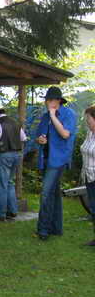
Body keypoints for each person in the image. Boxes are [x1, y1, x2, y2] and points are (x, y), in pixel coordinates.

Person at [34, 86, 77, 241]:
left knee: (46, 192)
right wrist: (40, 139)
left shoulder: (68, 114)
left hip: (59, 159)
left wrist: (53, 116)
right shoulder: (45, 117)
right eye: (46, 100)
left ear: (58, 101)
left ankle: (43, 230)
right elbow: (38, 136)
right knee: (53, 193)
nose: (47, 103)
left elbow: (65, 134)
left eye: (50, 100)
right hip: (45, 159)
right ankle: (56, 228)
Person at [0, 103, 27, 221]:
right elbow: (23, 138)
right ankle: (12, 211)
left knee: (1, 185)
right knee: (9, 183)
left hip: (3, 155)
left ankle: (0, 214)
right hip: (16, 155)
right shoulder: (15, 122)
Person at [80, 105, 95, 246]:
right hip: (89, 177)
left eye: (88, 119)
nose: (87, 121)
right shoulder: (90, 133)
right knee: (93, 209)